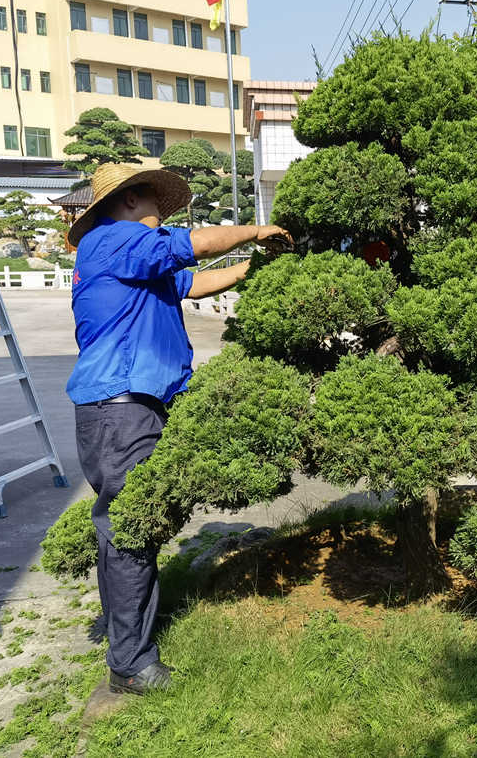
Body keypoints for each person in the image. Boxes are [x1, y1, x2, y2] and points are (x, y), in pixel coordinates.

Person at [65, 162, 293, 695]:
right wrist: (257, 229)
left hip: (133, 405)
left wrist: (251, 267)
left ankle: (131, 643)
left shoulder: (132, 258)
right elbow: (195, 246)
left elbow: (193, 282)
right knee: (127, 534)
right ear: (127, 201)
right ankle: (131, 664)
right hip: (121, 408)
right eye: (152, 200)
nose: (160, 212)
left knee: (133, 530)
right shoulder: (111, 240)